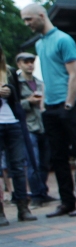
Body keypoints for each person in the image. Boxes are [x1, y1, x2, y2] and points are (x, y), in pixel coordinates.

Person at [20, 3, 76, 217]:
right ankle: (67, 201)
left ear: (41, 15)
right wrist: (45, 104)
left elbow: (74, 75)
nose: (27, 24)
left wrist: (69, 103)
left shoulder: (63, 39)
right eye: (24, 20)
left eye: (29, 19)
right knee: (58, 156)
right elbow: (45, 76)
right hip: (51, 108)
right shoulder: (39, 44)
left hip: (71, 105)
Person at [0, 49, 38, 225]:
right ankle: (0, 212)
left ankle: (23, 207)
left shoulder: (8, 72)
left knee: (18, 165)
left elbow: (17, 100)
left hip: (12, 122)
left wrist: (10, 91)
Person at [14, 53, 53, 206]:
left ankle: (43, 191)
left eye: (31, 62)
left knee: (44, 163)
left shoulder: (39, 82)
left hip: (42, 125)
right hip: (28, 126)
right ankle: (36, 194)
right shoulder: (17, 83)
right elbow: (14, 104)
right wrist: (28, 102)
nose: (30, 64)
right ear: (19, 64)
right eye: (26, 62)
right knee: (33, 162)